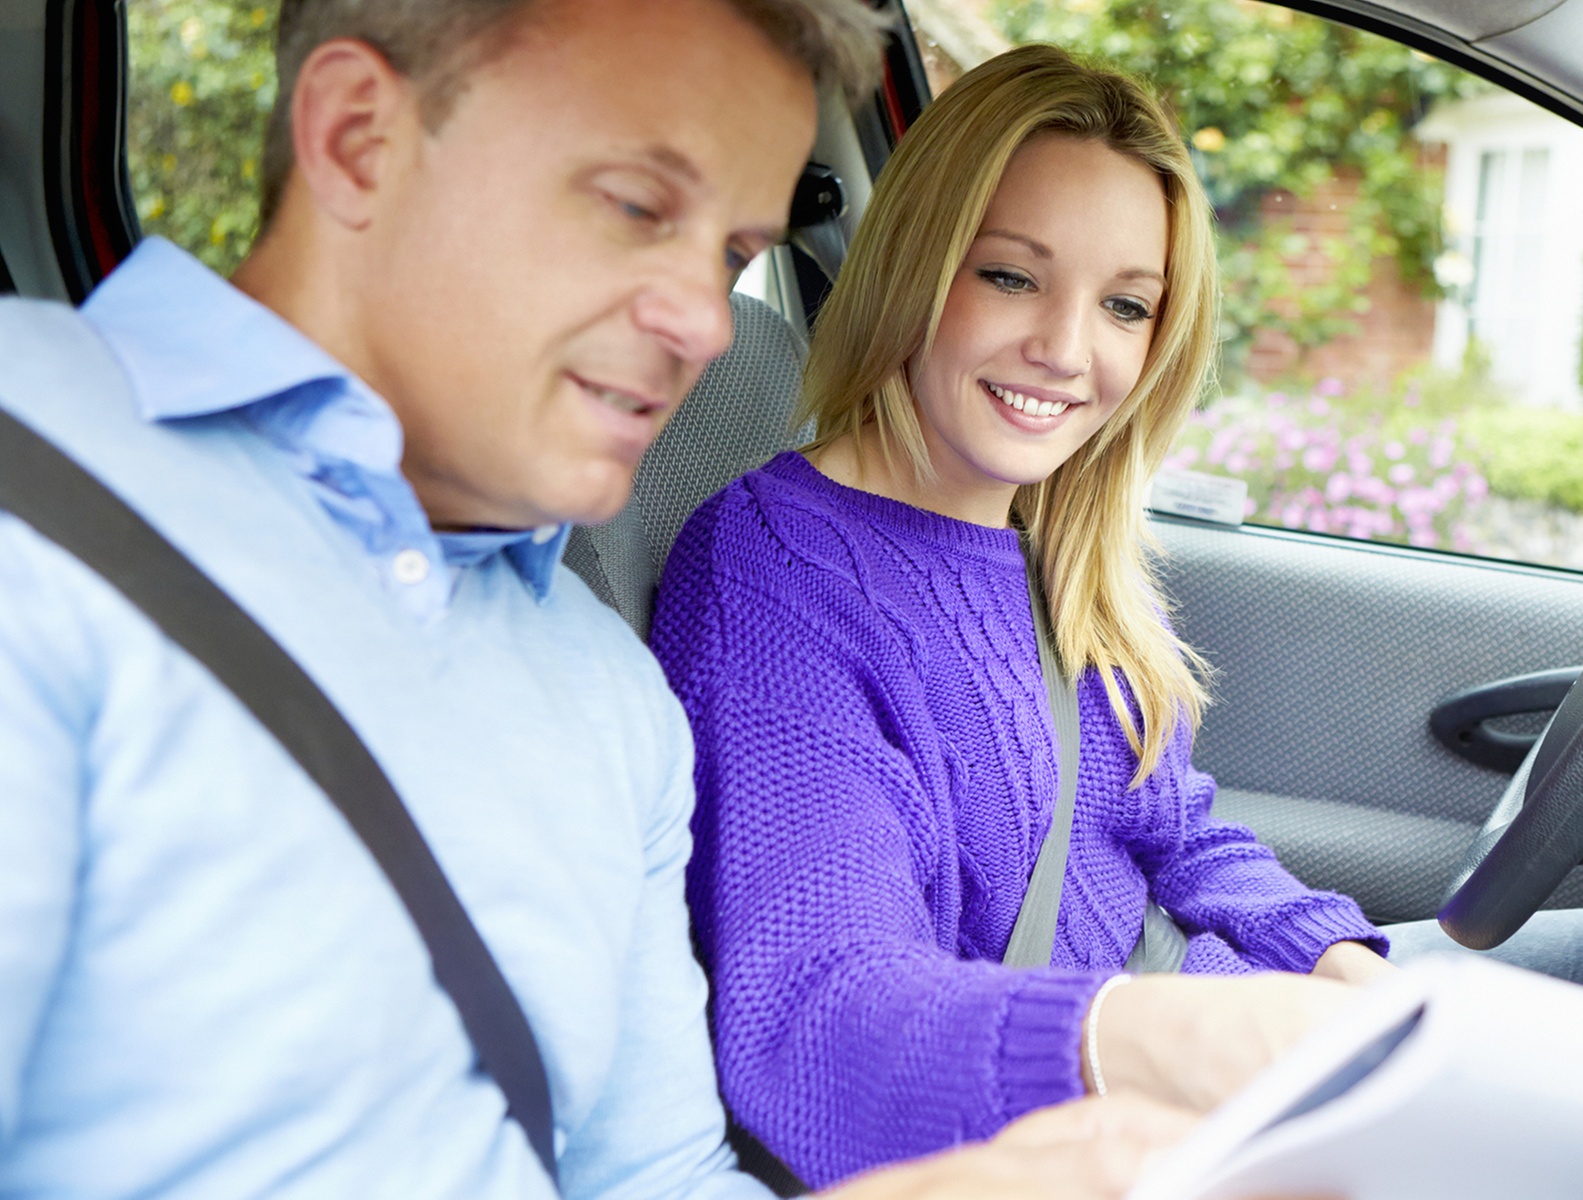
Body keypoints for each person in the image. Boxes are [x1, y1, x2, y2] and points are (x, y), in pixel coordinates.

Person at [649, 43, 1583, 1200]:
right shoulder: (775, 577)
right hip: (1130, 1131)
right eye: (1009, 275)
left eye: (1124, 306)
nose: (1066, 349)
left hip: (1245, 1028)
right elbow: (818, 1024)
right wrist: (1189, 1045)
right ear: (917, 263)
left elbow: (1171, 828)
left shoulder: (1040, 536)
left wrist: (1337, 970)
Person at [0, 0, 1207, 1195]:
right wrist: (1131, 1042)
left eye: (734, 256)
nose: (704, 323)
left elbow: (657, 1177)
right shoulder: (38, 503)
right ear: (360, 137)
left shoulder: (602, 687)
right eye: (637, 207)